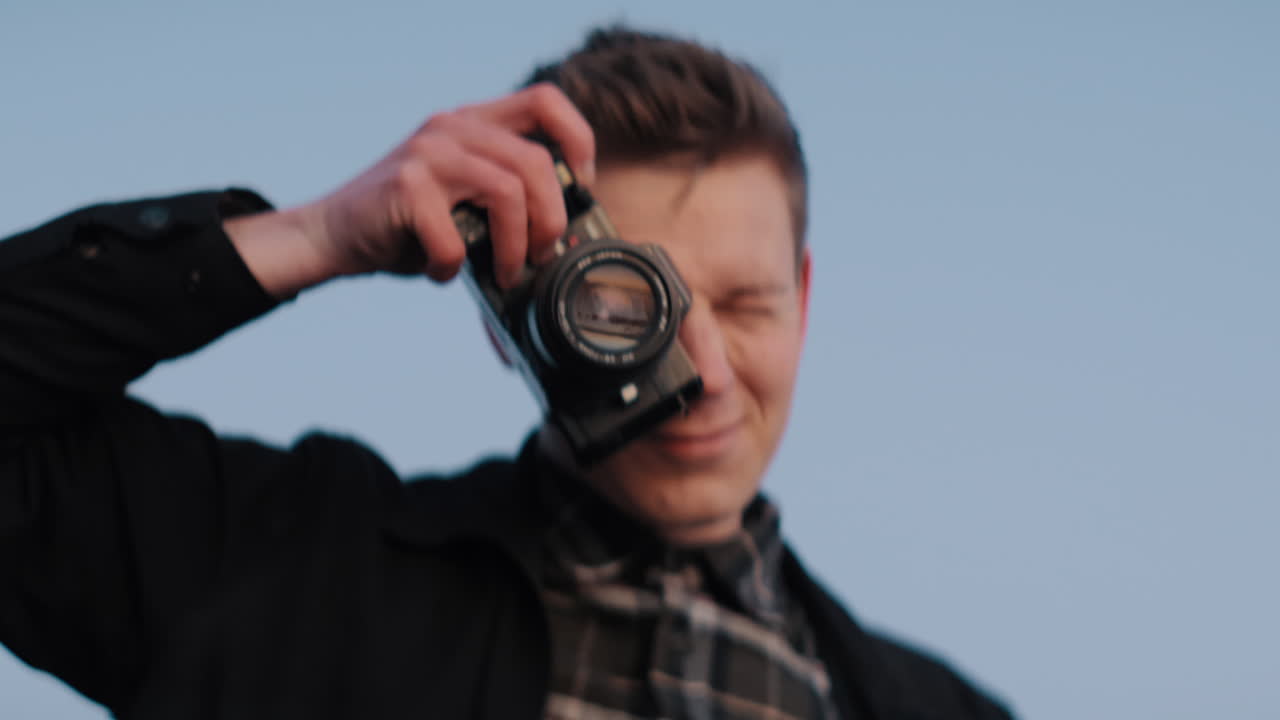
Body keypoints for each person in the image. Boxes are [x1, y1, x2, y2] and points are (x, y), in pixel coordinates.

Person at [0, 25, 1015, 720]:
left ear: (804, 298)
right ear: (511, 324)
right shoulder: (283, 574)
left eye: (748, 306)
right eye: (627, 308)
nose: (703, 370)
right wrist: (314, 234)